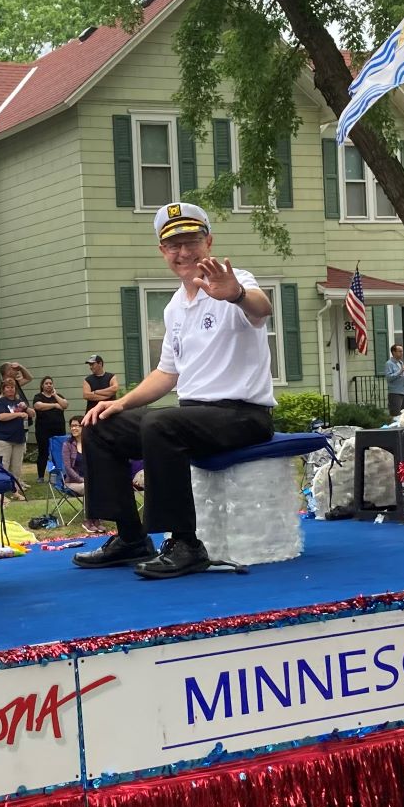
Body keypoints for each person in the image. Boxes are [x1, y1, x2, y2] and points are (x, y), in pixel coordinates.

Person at [77, 202, 274, 579]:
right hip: (194, 416)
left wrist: (234, 294)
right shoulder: (174, 307)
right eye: (173, 245)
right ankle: (130, 537)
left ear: (209, 242)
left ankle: (185, 544)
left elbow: (261, 309)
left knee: (162, 425)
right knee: (100, 425)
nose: (183, 253)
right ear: (162, 252)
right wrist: (119, 403)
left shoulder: (236, 280)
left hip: (243, 415)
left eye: (191, 242)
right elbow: (166, 374)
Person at [31, 376, 68, 480]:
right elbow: (38, 406)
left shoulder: (58, 396)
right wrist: (55, 405)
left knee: (59, 452)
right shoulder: (38, 396)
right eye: (46, 383)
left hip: (58, 429)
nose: (49, 385)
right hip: (43, 430)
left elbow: (65, 405)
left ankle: (58, 475)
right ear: (42, 386)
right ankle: (41, 476)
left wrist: (55, 396)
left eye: (50, 383)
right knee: (43, 452)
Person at [0, 376, 29, 479]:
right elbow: (1, 416)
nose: (10, 389)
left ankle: (15, 491)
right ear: (3, 389)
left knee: (16, 467)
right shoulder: (0, 402)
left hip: (19, 439)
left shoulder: (19, 402)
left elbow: (32, 413)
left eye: (12, 387)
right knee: (3, 465)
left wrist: (25, 408)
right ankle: (0, 494)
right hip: (4, 439)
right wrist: (18, 414)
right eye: (7, 387)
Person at [383, 344, 404, 417]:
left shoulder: (401, 363)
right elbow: (389, 378)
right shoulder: (389, 364)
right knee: (396, 415)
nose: (401, 353)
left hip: (403, 392)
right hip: (395, 393)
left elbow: (399, 376)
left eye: (402, 351)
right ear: (393, 352)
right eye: (399, 351)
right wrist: (400, 371)